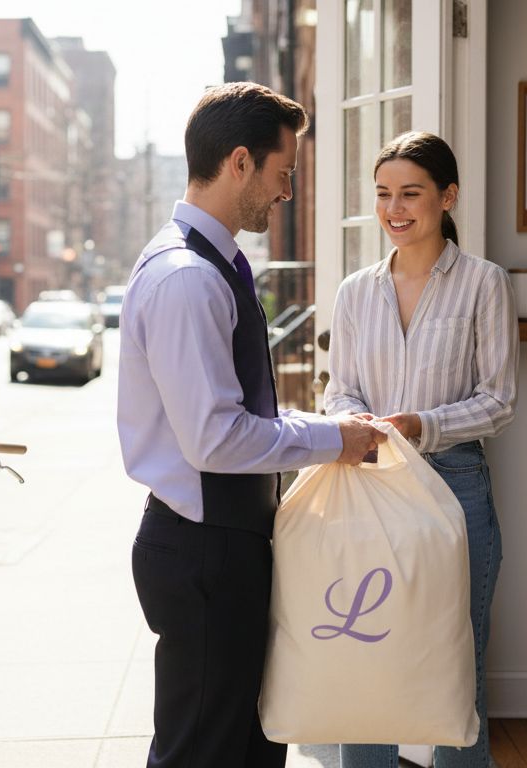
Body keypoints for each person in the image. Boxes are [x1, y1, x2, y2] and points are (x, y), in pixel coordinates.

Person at [117, 82, 388, 768]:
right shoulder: (188, 277)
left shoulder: (206, 266)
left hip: (217, 547)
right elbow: (216, 439)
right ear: (240, 162)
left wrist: (327, 428)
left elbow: (240, 420)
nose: (287, 191)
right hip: (204, 553)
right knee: (204, 754)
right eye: (283, 172)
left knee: (244, 749)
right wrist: (333, 440)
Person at [324, 131, 519, 768]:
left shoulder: (485, 285)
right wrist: (355, 420)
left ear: (448, 197)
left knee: (456, 667)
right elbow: (339, 389)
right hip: (373, 486)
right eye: (383, 194)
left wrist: (420, 425)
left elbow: (499, 400)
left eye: (411, 192)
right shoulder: (355, 291)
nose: (394, 208)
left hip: (456, 487)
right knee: (366, 658)